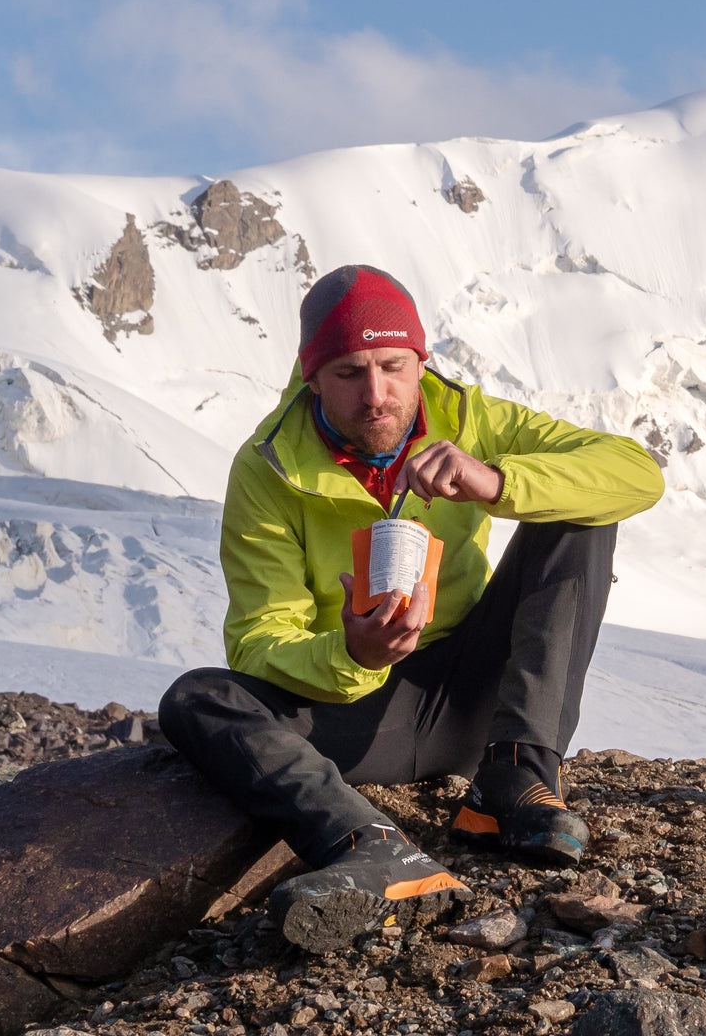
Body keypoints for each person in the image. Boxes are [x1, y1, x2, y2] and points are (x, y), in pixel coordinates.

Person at [159, 264, 664, 951]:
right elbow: (259, 637)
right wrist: (351, 654)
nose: (377, 394)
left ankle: (514, 779)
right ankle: (372, 849)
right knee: (199, 698)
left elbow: (637, 472)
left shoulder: (470, 419)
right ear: (311, 376)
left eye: (394, 367)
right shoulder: (269, 465)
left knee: (579, 510)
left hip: (470, 695)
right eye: (349, 372)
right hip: (357, 716)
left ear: (420, 361)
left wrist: (496, 481)